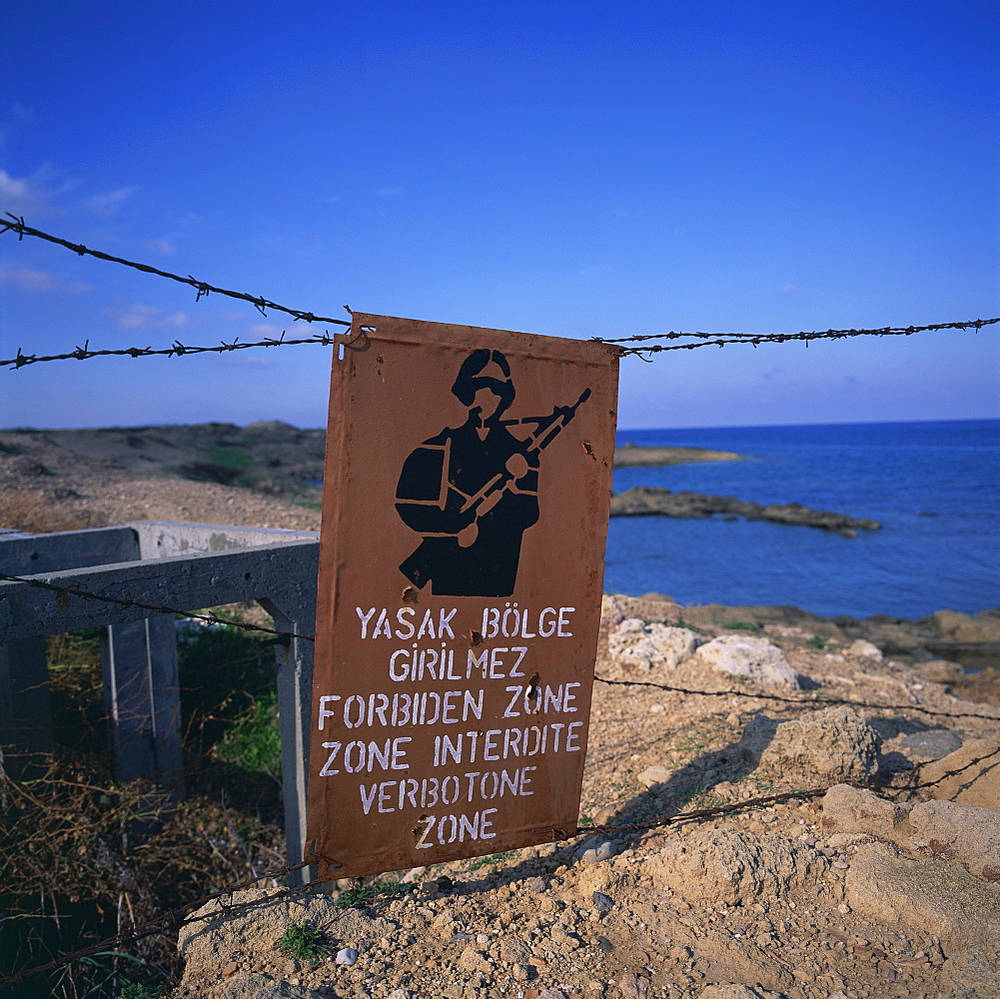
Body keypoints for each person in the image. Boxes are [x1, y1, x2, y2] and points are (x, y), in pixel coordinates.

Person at [395, 349, 540, 597]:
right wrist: (452, 530)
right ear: (465, 393)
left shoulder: (521, 453)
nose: (487, 399)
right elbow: (408, 505)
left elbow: (529, 514)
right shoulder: (437, 446)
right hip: (451, 572)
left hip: (499, 574)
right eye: (480, 388)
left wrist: (520, 479)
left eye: (496, 391)